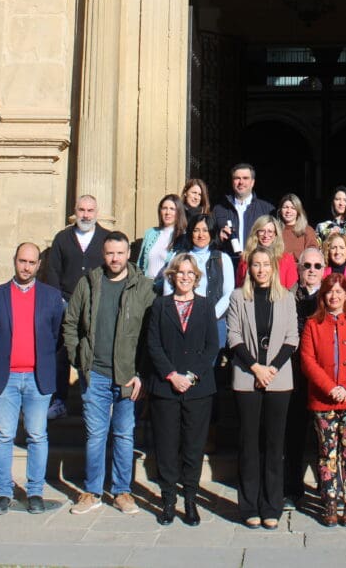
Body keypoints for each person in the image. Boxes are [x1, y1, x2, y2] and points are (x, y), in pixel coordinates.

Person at [63, 233, 157, 516]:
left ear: (129, 253)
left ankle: (122, 491)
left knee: (124, 433)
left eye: (120, 253)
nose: (115, 258)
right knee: (96, 435)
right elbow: (70, 323)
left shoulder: (143, 287)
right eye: (109, 253)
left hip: (128, 375)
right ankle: (92, 491)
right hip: (96, 373)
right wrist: (79, 359)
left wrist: (142, 372)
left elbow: (151, 333)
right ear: (102, 254)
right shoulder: (89, 283)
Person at [0, 242, 65, 516]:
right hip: (7, 377)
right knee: (3, 435)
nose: (26, 267)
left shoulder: (51, 297)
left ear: (39, 265)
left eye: (31, 262)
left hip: (38, 378)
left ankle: (35, 491)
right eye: (22, 261)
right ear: (14, 261)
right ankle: (3, 492)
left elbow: (57, 335)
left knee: (37, 435)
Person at [227, 246, 299, 529]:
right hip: (247, 377)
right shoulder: (237, 297)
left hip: (278, 379)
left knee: (273, 444)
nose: (261, 269)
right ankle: (248, 506)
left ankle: (272, 505)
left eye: (266, 264)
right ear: (249, 268)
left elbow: (292, 337)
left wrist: (271, 369)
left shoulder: (286, 299)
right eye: (256, 264)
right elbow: (232, 335)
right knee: (248, 444)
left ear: (274, 267)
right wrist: (256, 367)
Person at [145, 254, 220, 526]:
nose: (185, 277)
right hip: (166, 388)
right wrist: (172, 375)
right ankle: (167, 500)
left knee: (192, 447)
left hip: (197, 389)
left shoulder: (205, 306)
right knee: (166, 447)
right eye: (180, 272)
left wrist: (190, 376)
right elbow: (153, 344)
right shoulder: (159, 306)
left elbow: (213, 345)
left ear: (196, 277)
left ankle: (190, 499)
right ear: (172, 276)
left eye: (190, 272)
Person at [301, 273, 346, 527]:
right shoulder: (313, 324)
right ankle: (329, 502)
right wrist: (331, 388)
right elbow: (308, 361)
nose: (334, 296)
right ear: (323, 296)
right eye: (329, 292)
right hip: (324, 400)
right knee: (327, 453)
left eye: (339, 292)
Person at [43, 194, 109, 418]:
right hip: (65, 303)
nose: (86, 215)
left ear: (96, 212)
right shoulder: (62, 238)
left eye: (90, 210)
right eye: (82, 210)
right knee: (61, 354)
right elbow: (53, 271)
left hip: (95, 306)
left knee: (90, 354)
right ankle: (59, 400)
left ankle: (90, 401)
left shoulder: (105, 238)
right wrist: (57, 301)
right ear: (75, 211)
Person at [285, 246, 325, 506]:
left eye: (316, 266)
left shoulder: (331, 296)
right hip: (295, 372)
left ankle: (327, 488)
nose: (311, 270)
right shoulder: (287, 297)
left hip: (324, 374)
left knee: (326, 436)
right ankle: (292, 489)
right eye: (306, 266)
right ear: (298, 269)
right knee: (294, 433)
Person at [169, 213, 235, 346]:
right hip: (183, 321)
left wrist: (210, 317)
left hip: (215, 322)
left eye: (205, 230)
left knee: (210, 364)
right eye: (196, 230)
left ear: (211, 232)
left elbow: (228, 293)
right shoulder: (178, 257)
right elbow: (168, 289)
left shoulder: (223, 259)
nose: (201, 235)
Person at [214, 163, 275, 260]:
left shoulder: (267, 209)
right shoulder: (219, 209)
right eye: (237, 178)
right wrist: (218, 237)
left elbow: (275, 240)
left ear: (252, 182)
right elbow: (210, 239)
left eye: (245, 178)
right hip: (229, 264)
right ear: (232, 182)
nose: (241, 182)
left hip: (257, 264)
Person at [236, 214, 298, 289]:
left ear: (276, 234)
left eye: (270, 231)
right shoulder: (245, 258)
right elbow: (239, 286)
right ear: (256, 233)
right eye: (262, 231)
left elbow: (291, 289)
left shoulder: (287, 259)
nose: (266, 235)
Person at [138, 193, 186, 279]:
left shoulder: (182, 237)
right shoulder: (150, 233)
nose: (168, 212)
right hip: (146, 286)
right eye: (164, 208)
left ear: (178, 212)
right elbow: (140, 263)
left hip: (167, 288)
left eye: (172, 209)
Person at [278, 193, 319, 260]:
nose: (288, 211)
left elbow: (312, 253)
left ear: (298, 211)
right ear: (280, 210)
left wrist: (292, 255)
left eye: (293, 208)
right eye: (285, 207)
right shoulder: (275, 230)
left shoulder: (307, 230)